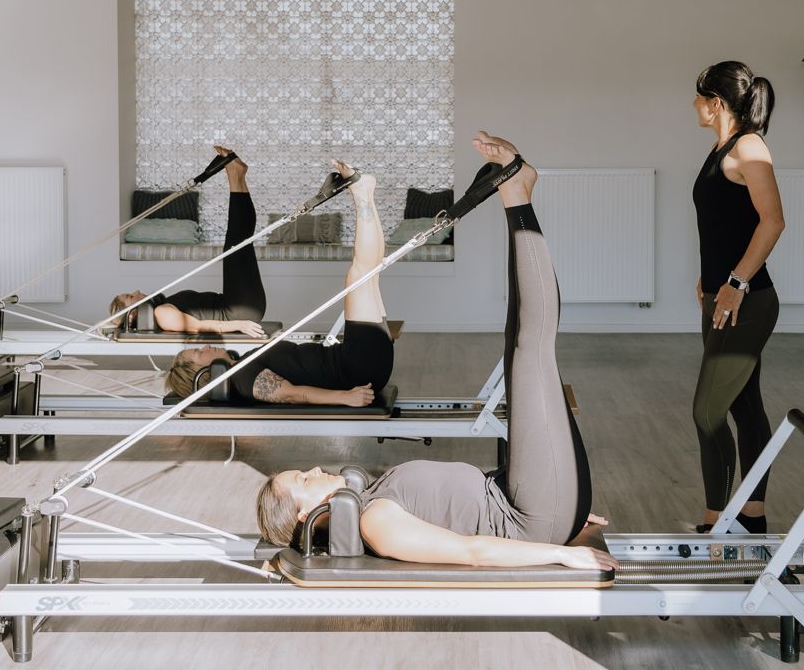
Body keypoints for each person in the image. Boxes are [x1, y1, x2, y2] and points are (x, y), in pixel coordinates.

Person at [253, 133, 616, 572]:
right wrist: (561, 549)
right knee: (530, 348)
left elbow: (465, 510)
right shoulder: (375, 523)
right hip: (531, 513)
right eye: (303, 481)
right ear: (302, 516)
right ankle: (517, 196)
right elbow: (472, 552)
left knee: (519, 340)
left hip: (531, 499)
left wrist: (563, 497)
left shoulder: (372, 498)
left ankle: (516, 193)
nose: (312, 468)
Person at [165, 160, 392, 408]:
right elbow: (292, 394)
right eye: (198, 353)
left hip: (357, 361)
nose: (204, 345)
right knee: (359, 274)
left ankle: (365, 193)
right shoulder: (242, 378)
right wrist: (345, 398)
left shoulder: (241, 369)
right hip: (355, 366)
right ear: (204, 373)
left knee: (367, 273)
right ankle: (361, 194)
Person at [690, 61, 785, 534]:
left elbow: (773, 221)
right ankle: (752, 518)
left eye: (699, 96)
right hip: (722, 298)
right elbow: (724, 223)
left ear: (717, 102)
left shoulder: (748, 148)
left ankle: (716, 525)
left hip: (745, 303)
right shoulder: (721, 148)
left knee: (707, 412)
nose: (693, 105)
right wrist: (708, 279)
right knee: (744, 407)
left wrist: (735, 283)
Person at [110, 146, 268, 338]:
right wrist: (240, 325)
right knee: (237, 242)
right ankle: (235, 175)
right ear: (132, 313)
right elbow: (198, 326)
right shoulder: (161, 314)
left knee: (240, 240)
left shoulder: (161, 308)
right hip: (240, 311)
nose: (135, 291)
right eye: (129, 296)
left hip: (239, 305)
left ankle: (237, 175)